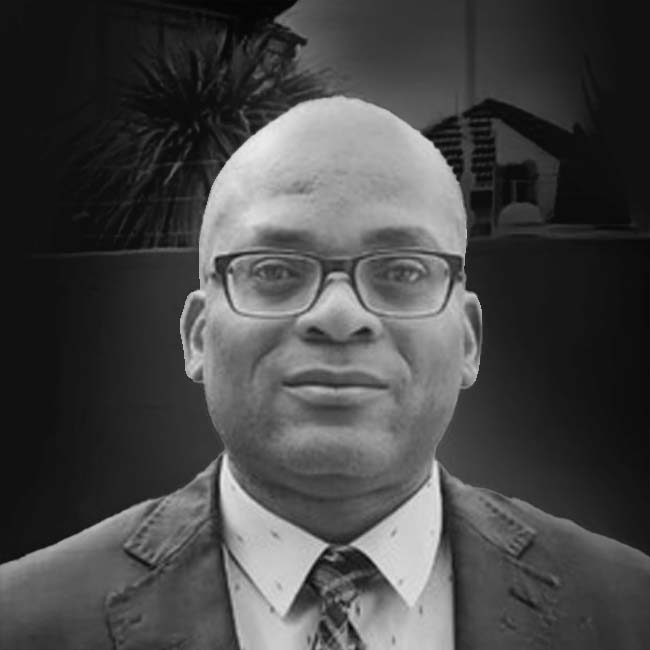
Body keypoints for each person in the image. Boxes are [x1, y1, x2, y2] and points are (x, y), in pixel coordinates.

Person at [1, 96, 648, 650]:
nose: (339, 317)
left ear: (470, 340)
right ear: (197, 336)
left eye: (402, 271)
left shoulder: (631, 611)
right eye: (275, 270)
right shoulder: (23, 622)